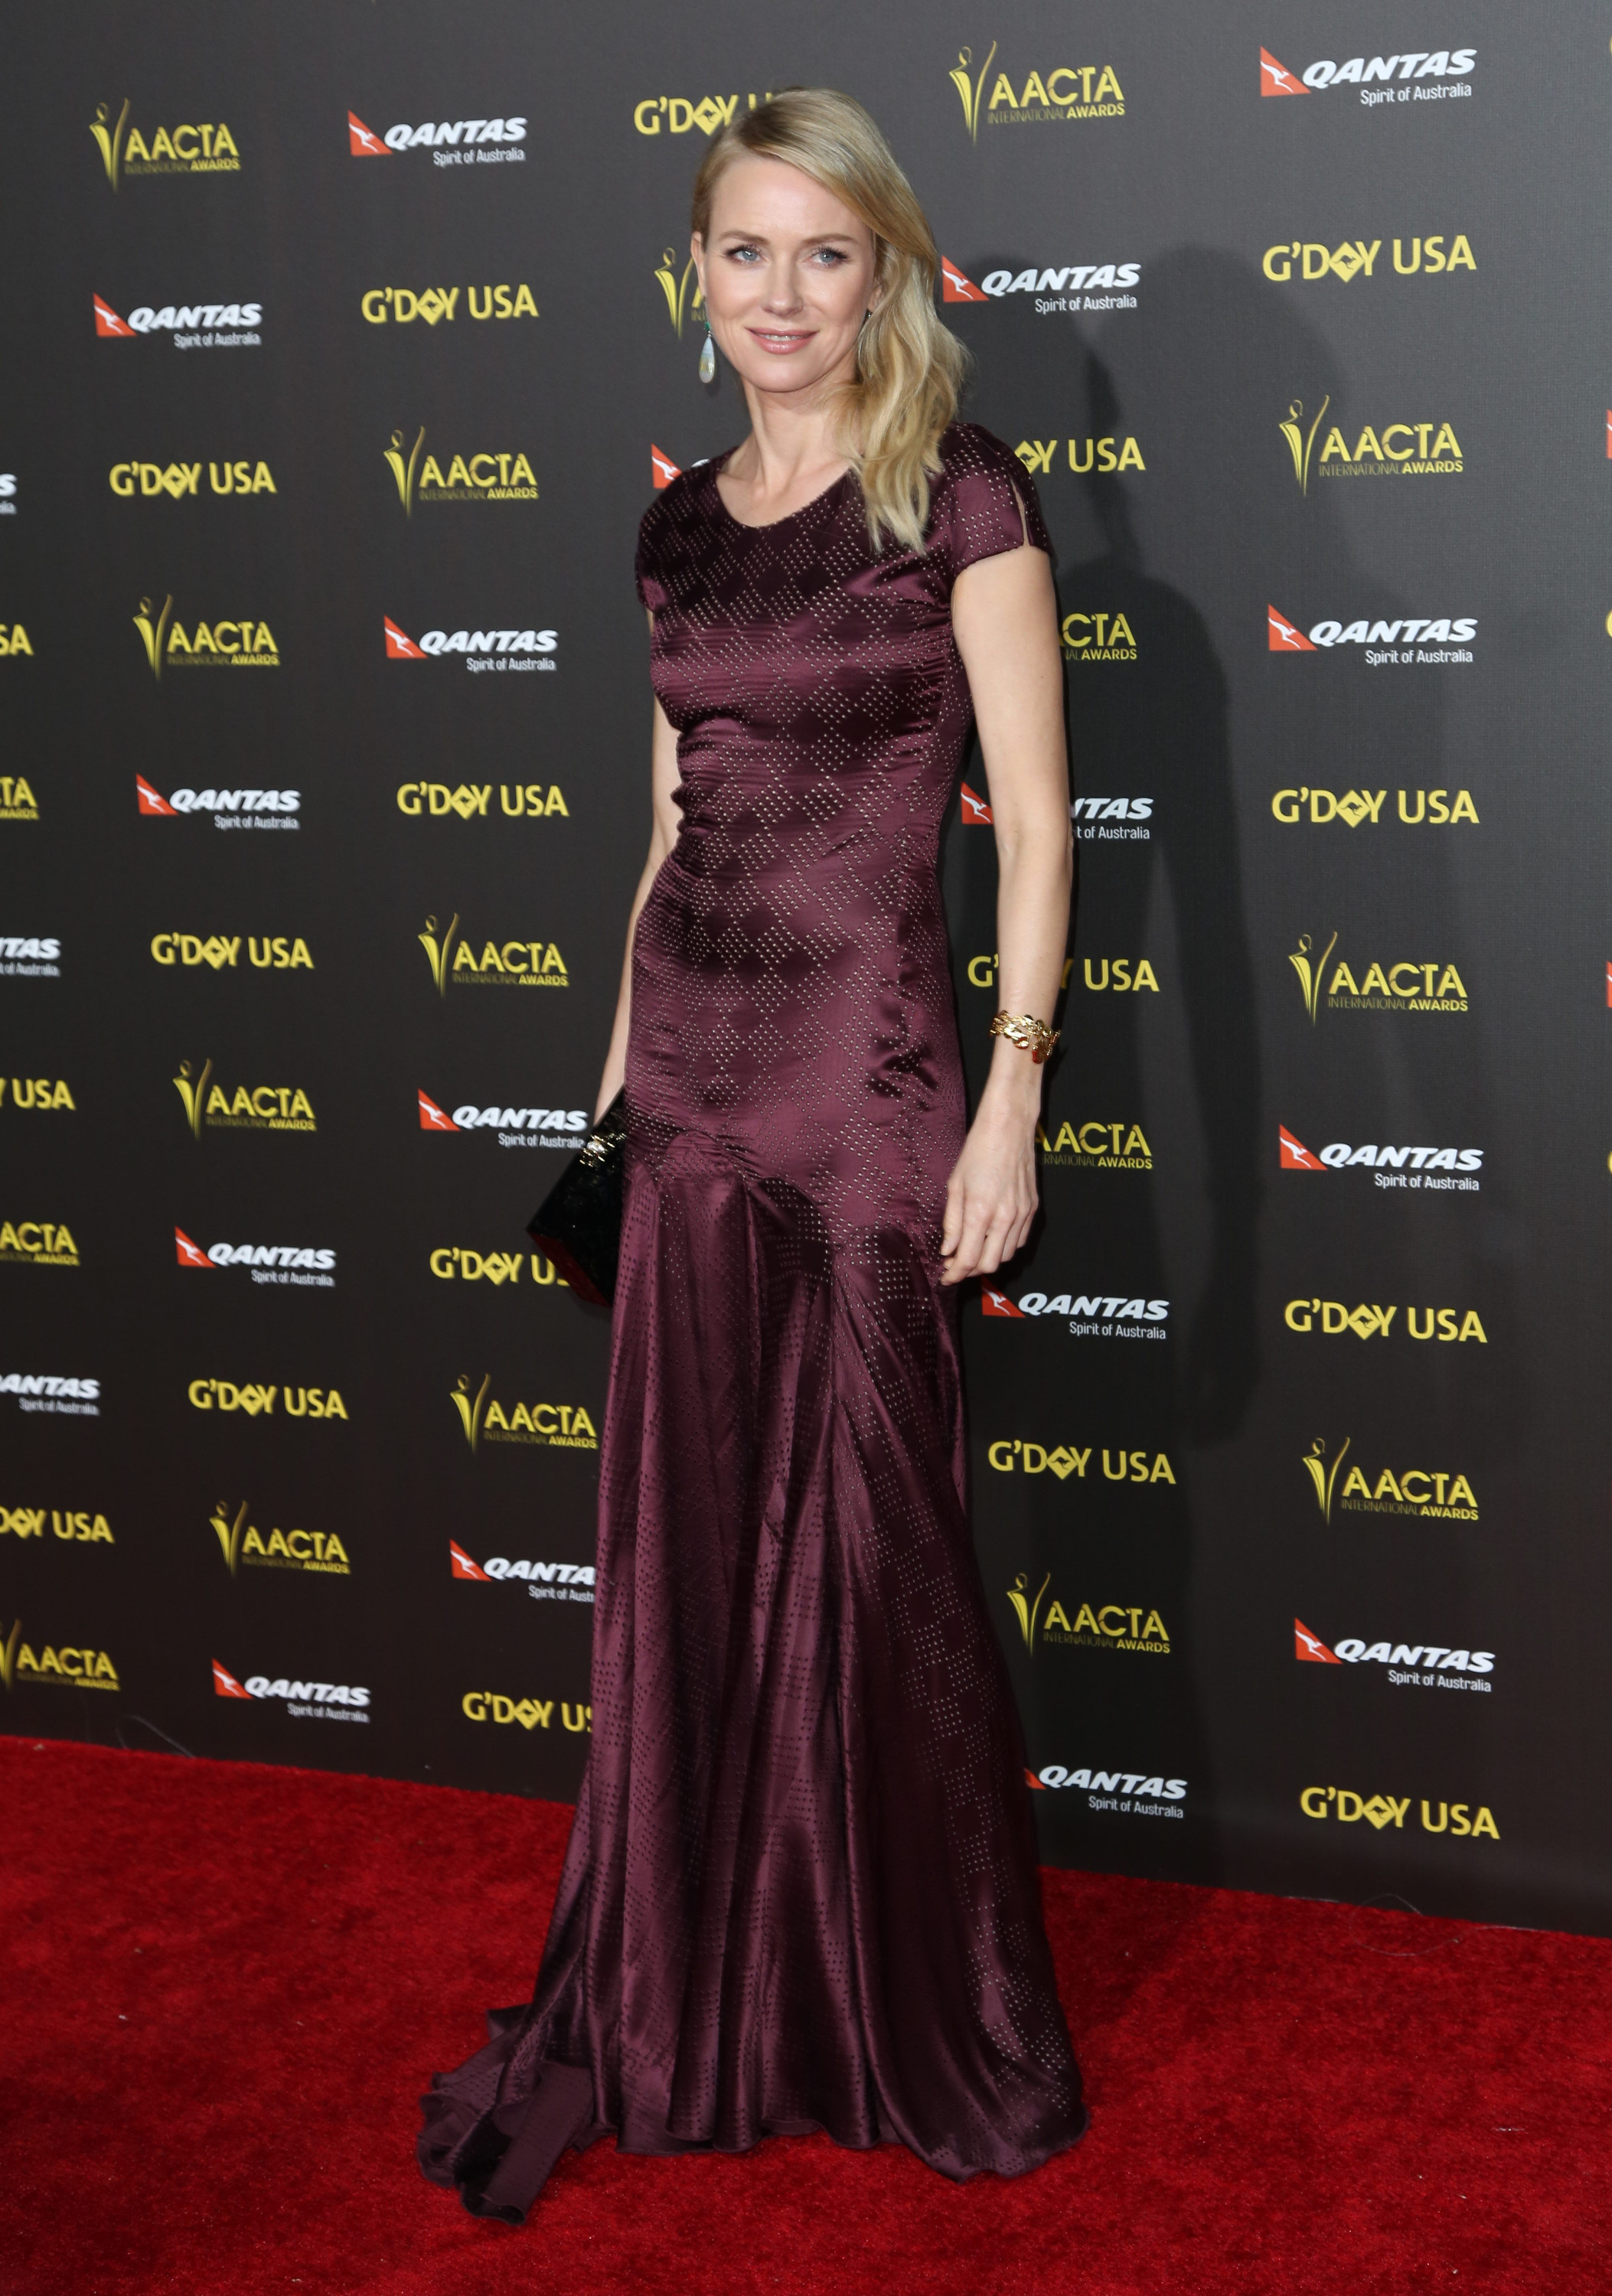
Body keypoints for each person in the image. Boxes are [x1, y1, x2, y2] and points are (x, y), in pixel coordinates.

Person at [419, 86, 1085, 2223]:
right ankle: (699, 1987)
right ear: (693, 274)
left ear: (883, 273)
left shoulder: (962, 494)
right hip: (694, 1073)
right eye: (745, 251)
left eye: (824, 252)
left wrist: (1014, 1091)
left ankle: (905, 2005)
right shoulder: (672, 527)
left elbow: (1037, 826)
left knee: (882, 1546)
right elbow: (667, 826)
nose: (781, 294)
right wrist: (612, 1097)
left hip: (866, 1080)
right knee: (694, 1540)